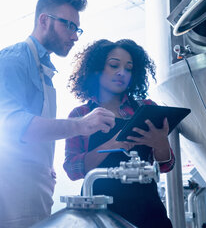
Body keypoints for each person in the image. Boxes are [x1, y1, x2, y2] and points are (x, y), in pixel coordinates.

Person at [0, 0, 119, 228]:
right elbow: (11, 125)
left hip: (32, 187)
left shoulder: (43, 68)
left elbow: (32, 132)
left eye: (77, 28)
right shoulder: (13, 59)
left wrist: (43, 167)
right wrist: (81, 125)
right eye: (69, 26)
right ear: (44, 20)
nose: (75, 36)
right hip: (6, 189)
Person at [64, 39, 175, 228]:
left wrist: (161, 144)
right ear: (97, 69)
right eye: (114, 65)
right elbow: (73, 170)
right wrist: (111, 145)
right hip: (99, 211)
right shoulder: (80, 115)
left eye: (129, 68)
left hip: (147, 210)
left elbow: (166, 166)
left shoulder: (146, 108)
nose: (122, 72)